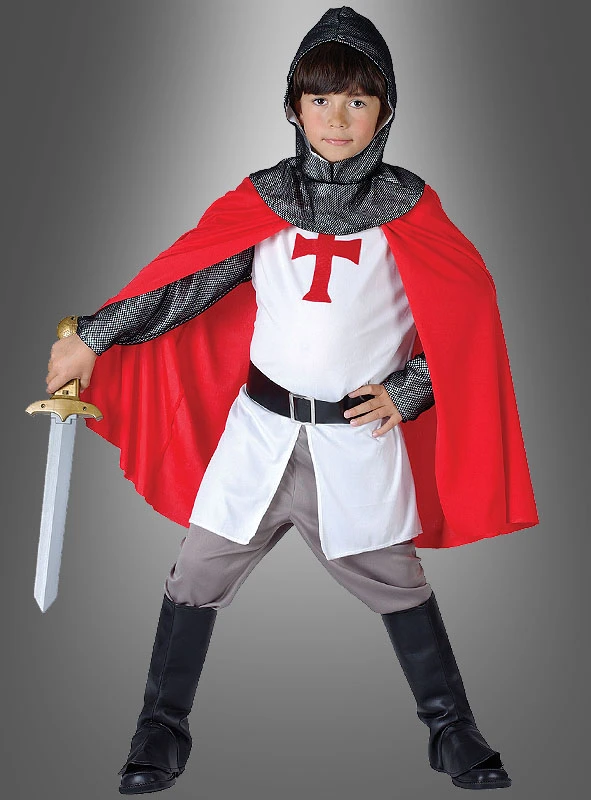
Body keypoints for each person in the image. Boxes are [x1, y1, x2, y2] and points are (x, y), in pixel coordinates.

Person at [45, 6, 538, 794]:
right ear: (292, 107)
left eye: (355, 101)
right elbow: (184, 286)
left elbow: (466, 322)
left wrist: (408, 390)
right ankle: (159, 732)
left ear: (384, 111)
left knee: (398, 583)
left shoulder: (410, 209)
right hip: (259, 436)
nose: (336, 119)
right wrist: (96, 337)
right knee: (195, 574)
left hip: (355, 444)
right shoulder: (264, 201)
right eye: (319, 100)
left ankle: (452, 732)